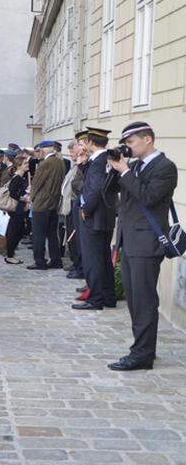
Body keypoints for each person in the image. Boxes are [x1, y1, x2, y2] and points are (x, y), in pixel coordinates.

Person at [109, 121, 178, 369]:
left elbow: (148, 197)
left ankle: (142, 355)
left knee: (144, 299)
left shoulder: (165, 167)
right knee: (134, 299)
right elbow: (115, 194)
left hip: (147, 243)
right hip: (130, 240)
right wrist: (114, 169)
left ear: (147, 139)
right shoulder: (135, 165)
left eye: (131, 142)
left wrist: (126, 172)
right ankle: (144, 347)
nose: (128, 147)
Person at [76, 127, 119, 311]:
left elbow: (95, 189)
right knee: (103, 259)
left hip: (94, 218)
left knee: (92, 260)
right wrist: (83, 164)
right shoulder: (106, 159)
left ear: (91, 143)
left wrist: (86, 209)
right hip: (105, 217)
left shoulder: (99, 161)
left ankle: (95, 299)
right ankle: (109, 297)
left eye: (85, 142)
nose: (83, 145)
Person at [27, 140, 65, 270]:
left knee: (38, 234)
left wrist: (31, 199)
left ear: (43, 150)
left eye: (39, 151)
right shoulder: (60, 162)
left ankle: (39, 261)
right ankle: (56, 260)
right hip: (54, 203)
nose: (38, 154)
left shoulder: (45, 164)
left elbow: (36, 184)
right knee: (52, 234)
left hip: (41, 204)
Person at [60, 140, 85, 279]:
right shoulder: (74, 165)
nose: (71, 154)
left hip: (76, 204)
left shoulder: (81, 166)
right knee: (71, 238)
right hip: (70, 206)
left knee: (76, 238)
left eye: (72, 151)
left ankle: (79, 266)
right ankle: (76, 263)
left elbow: (77, 184)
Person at [0, 150, 30, 265]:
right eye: (25, 164)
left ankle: (10, 253)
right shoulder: (17, 177)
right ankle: (9, 255)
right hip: (16, 209)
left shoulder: (20, 177)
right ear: (19, 166)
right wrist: (24, 198)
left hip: (19, 208)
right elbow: (13, 193)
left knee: (18, 230)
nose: (27, 165)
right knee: (15, 231)